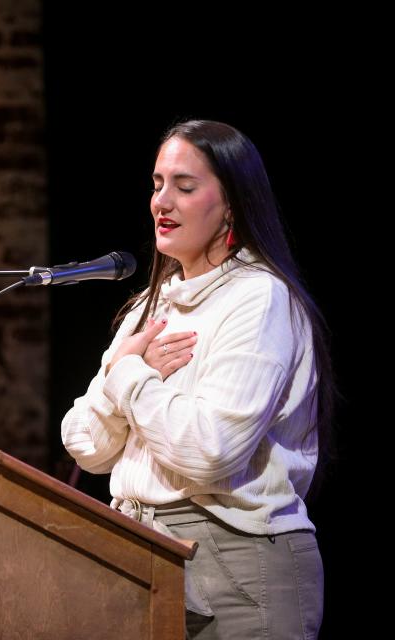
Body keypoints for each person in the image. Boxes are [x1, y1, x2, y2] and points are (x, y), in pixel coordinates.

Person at [61, 120, 333, 639]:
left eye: (184, 187)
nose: (162, 202)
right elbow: (84, 443)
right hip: (140, 548)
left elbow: (211, 451)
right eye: (156, 184)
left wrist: (131, 379)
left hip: (237, 562)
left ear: (231, 202)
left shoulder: (258, 300)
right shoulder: (150, 306)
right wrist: (126, 381)